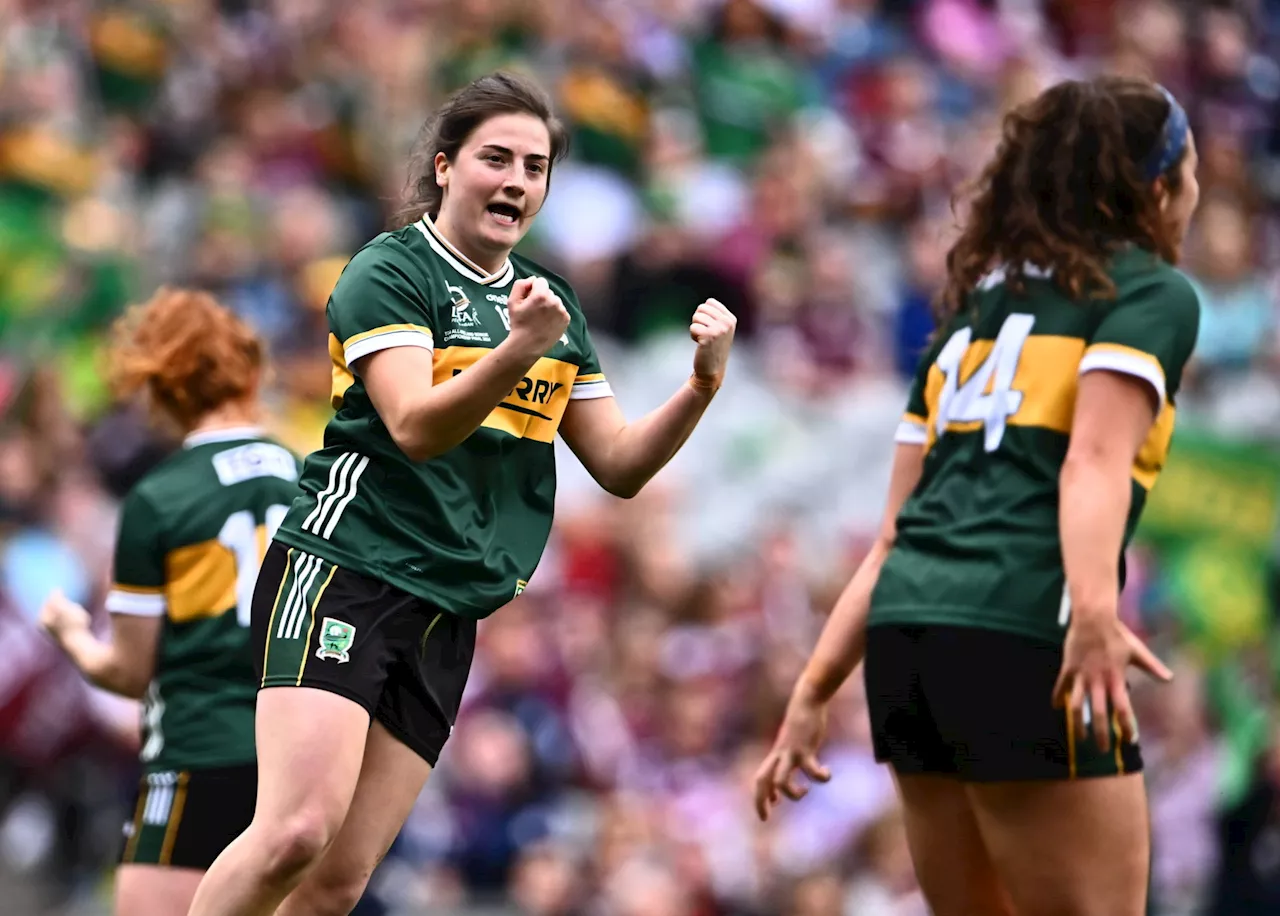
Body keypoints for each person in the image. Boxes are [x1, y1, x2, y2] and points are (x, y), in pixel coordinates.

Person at [187, 70, 736, 916]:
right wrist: (518, 349)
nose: (517, 179)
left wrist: (700, 385)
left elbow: (620, 466)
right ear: (445, 167)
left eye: (536, 166)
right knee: (296, 831)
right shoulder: (392, 270)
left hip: (449, 607)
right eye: (497, 158)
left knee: (336, 884)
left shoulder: (553, 308)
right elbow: (413, 426)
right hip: (347, 567)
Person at [754, 75, 1201, 916]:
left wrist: (813, 691)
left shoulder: (968, 318)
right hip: (1021, 628)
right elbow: (1092, 466)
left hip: (907, 645)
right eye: (1193, 172)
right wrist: (1097, 618)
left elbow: (891, 539)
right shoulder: (1150, 293)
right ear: (1157, 187)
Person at [38, 288, 301, 916]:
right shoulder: (308, 473)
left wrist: (70, 633)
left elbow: (129, 673)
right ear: (249, 369)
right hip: (300, 752)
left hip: (199, 749)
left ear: (162, 384)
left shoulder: (162, 498)